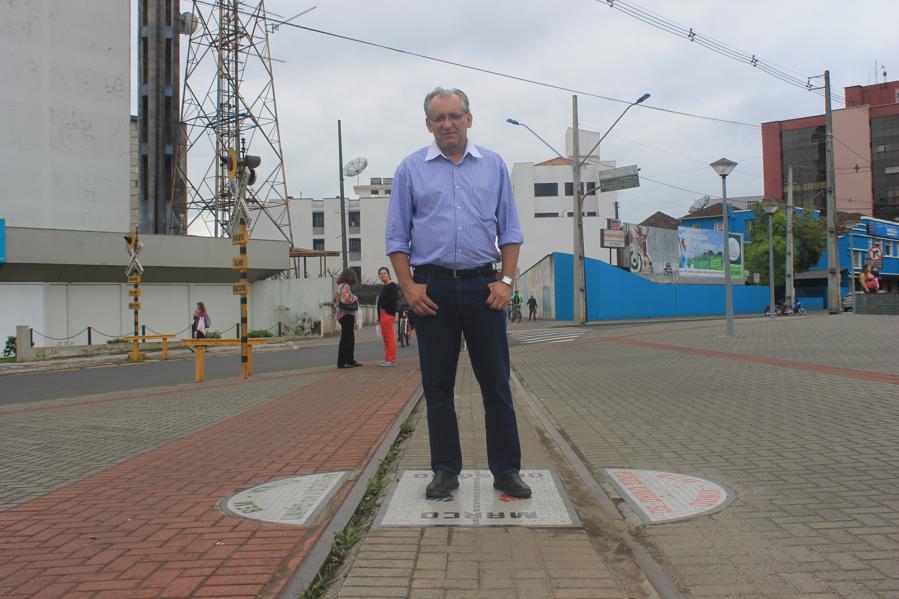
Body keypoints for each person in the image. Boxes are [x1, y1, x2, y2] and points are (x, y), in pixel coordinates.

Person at [386, 86, 531, 500]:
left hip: (484, 288)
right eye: (438, 118)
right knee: (437, 386)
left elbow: (511, 230)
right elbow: (397, 236)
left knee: (496, 385)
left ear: (469, 118)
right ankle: (445, 471)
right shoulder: (410, 170)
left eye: (454, 116)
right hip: (431, 290)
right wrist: (408, 287)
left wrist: (506, 281)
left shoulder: (493, 166)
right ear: (428, 124)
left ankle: (506, 471)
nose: (447, 124)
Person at [334, 268, 362, 368]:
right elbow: (345, 299)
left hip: (342, 315)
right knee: (347, 339)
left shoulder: (340, 286)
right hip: (346, 315)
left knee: (348, 338)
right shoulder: (345, 286)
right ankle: (343, 362)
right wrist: (354, 297)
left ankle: (349, 360)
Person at [376, 266, 399, 367]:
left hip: (387, 313)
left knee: (390, 337)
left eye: (384, 273)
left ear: (389, 274)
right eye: (380, 274)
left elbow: (393, 298)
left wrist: (384, 307)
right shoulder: (385, 286)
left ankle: (392, 360)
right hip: (382, 314)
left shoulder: (392, 285)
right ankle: (387, 359)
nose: (382, 275)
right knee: (386, 338)